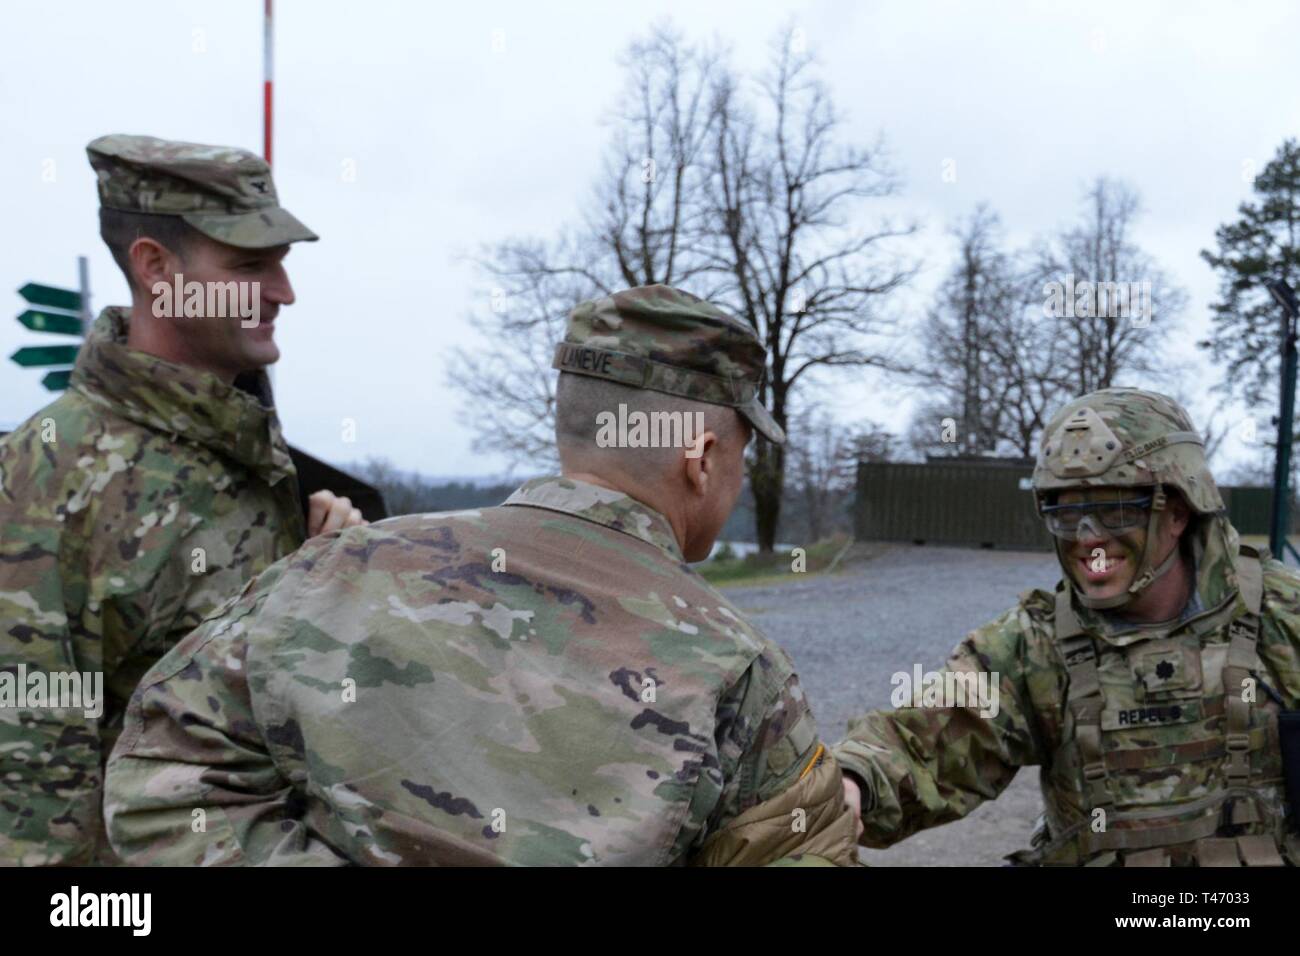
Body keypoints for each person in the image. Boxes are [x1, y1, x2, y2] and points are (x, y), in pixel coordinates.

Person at [103, 284, 859, 866]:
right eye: (740, 455)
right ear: (702, 460)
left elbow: (164, 775)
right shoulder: (738, 666)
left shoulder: (333, 571)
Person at [0, 134, 363, 865]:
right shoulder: (52, 473)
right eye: (250, 267)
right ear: (157, 268)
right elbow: (30, 773)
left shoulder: (248, 444)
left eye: (281, 263)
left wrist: (324, 571)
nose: (284, 292)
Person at [835, 387, 1300, 866]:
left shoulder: (1283, 616)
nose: (1088, 538)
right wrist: (850, 782)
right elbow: (922, 741)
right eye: (1068, 513)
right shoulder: (1035, 644)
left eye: (1115, 511)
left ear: (1178, 511)